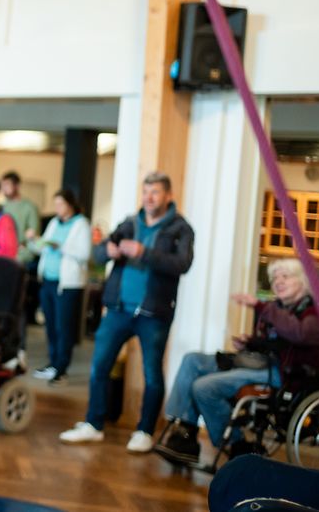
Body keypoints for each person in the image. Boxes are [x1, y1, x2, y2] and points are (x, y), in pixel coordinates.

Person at [59, 171, 194, 453]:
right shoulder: (129, 223)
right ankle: (93, 425)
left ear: (167, 196)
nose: (148, 197)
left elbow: (182, 264)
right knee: (99, 367)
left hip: (153, 313)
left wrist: (144, 252)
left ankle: (145, 431)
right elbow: (97, 254)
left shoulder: (180, 229)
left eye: (155, 192)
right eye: (146, 192)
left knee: (152, 373)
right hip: (119, 308)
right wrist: (107, 250)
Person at [154, 258, 319, 464]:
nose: (277, 282)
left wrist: (259, 305)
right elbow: (272, 341)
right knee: (192, 359)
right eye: (274, 278)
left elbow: (298, 333)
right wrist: (250, 343)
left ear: (303, 281)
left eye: (285, 277)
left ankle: (236, 444)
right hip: (260, 363)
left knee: (205, 386)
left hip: (287, 374)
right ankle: (186, 430)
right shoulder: (277, 308)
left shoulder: (316, 312)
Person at [30, 189, 91, 386]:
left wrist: (60, 246)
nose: (57, 208)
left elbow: (84, 253)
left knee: (63, 326)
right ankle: (53, 363)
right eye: (55, 204)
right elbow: (42, 247)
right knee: (50, 325)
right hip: (48, 280)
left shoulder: (81, 224)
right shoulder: (55, 222)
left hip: (67, 285)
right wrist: (33, 241)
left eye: (60, 204)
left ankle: (62, 368)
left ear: (70, 204)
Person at [1, 171, 40, 268]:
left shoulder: (29, 207)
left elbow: (34, 236)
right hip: (3, 254)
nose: (4, 188)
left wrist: (22, 250)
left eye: (7, 185)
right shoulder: (1, 207)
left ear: (17, 186)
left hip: (21, 257)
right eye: (3, 185)